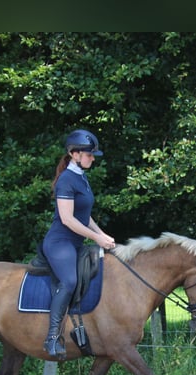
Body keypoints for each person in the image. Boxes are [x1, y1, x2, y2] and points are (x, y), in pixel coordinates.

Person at [42, 129, 115, 358]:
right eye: (89, 154)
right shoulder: (66, 180)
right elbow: (67, 219)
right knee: (70, 280)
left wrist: (103, 234)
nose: (92, 158)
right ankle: (52, 337)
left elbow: (84, 215)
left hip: (76, 242)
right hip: (60, 242)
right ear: (74, 154)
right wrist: (96, 238)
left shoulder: (81, 177)